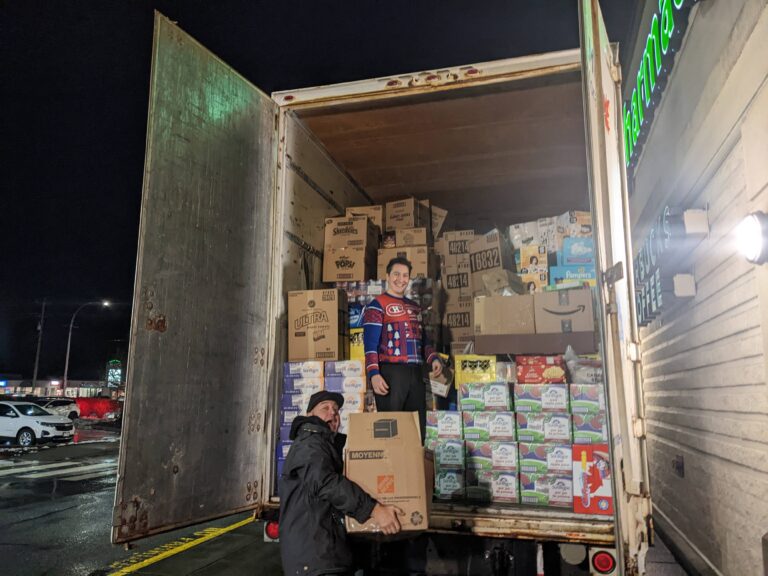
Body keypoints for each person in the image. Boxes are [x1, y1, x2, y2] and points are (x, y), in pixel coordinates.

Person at [279, 390, 401, 576]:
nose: (332, 413)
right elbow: (326, 483)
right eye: (325, 408)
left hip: (324, 554)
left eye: (336, 410)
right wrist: (375, 510)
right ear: (310, 414)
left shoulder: (327, 445)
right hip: (315, 558)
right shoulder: (309, 443)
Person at [363, 257, 443, 437]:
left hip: (415, 373)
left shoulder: (415, 307)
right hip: (391, 373)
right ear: (388, 276)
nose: (401, 279)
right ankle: (389, 465)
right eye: (396, 274)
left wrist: (433, 358)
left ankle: (413, 464)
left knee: (417, 428)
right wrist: (374, 374)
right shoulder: (377, 305)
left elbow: (422, 340)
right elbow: (370, 344)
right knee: (390, 429)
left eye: (405, 275)